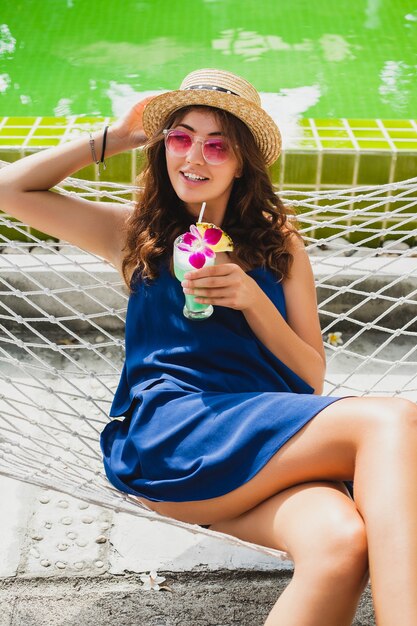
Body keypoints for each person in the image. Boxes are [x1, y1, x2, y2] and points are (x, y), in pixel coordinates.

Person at [0, 67, 415, 626]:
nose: (194, 156)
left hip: (265, 443)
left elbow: (311, 379)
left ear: (242, 162)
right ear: (162, 146)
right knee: (392, 423)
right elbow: (9, 190)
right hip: (171, 436)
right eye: (180, 137)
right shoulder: (137, 235)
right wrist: (119, 137)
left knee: (339, 545)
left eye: (217, 145)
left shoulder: (280, 245)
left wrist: (253, 301)